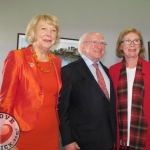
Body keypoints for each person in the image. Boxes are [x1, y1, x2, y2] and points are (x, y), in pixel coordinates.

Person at [0, 14, 62, 150]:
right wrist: (8, 140)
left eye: (53, 30)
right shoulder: (17, 57)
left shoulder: (56, 61)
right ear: (33, 32)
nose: (49, 34)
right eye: (43, 28)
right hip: (22, 135)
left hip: (51, 134)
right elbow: (5, 102)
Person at [58, 32, 116, 150]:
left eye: (102, 43)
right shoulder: (69, 71)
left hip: (109, 139)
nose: (99, 46)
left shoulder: (107, 71)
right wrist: (67, 139)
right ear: (83, 47)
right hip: (82, 141)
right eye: (94, 42)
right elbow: (62, 109)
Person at [109, 27, 150, 150]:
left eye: (136, 41)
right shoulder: (112, 70)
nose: (132, 44)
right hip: (120, 134)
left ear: (140, 46)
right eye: (127, 41)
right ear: (120, 46)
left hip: (143, 134)